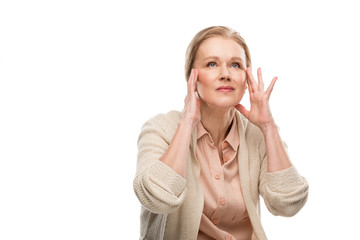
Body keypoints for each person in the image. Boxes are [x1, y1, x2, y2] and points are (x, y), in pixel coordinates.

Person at [133, 26, 309, 240]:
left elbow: (287, 205)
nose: (225, 74)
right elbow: (156, 199)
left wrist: (268, 126)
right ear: (192, 78)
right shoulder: (161, 128)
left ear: (246, 80)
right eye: (212, 64)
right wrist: (187, 122)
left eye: (235, 65)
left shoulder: (258, 133)